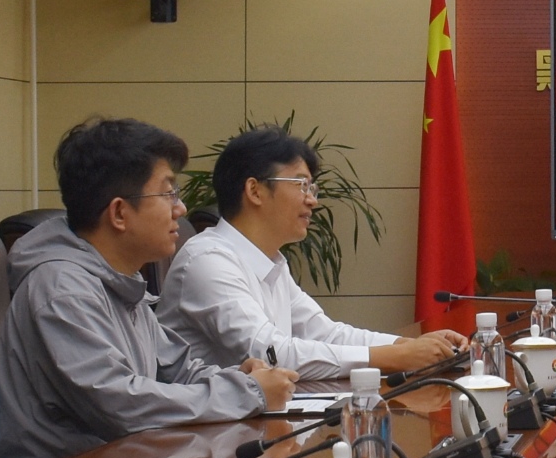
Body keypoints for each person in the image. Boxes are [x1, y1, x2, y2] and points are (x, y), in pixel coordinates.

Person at [0, 118, 296, 458]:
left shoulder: (118, 280)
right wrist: (248, 392)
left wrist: (240, 377)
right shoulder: (61, 290)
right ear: (118, 213)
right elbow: (121, 405)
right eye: (168, 194)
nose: (180, 208)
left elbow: (178, 369)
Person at [159, 125, 466, 381]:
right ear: (254, 191)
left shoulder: (271, 262)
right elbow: (272, 354)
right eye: (301, 185)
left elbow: (325, 333)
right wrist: (395, 357)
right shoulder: (207, 261)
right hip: (197, 432)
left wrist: (410, 345)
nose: (312, 201)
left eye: (312, 189)